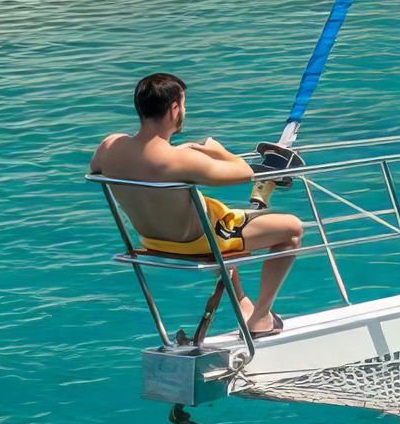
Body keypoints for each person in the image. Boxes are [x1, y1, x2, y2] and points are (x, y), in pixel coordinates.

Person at [90, 73, 303, 337]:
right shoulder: (181, 160)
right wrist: (215, 150)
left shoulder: (109, 146)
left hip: (150, 240)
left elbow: (98, 168)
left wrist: (180, 153)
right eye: (184, 104)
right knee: (292, 228)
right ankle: (260, 318)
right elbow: (244, 172)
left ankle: (241, 299)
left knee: (230, 217)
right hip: (199, 241)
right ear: (174, 108)